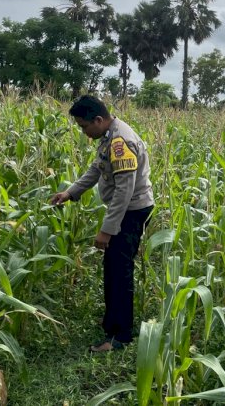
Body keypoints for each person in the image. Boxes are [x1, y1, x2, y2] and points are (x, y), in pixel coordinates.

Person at [51, 95, 154, 352]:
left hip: (131, 211)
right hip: (126, 210)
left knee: (119, 271)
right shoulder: (109, 136)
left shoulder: (120, 142)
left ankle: (120, 336)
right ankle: (112, 323)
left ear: (98, 120)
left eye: (85, 127)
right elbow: (96, 169)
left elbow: (123, 192)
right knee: (112, 268)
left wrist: (107, 231)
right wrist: (71, 192)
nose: (84, 133)